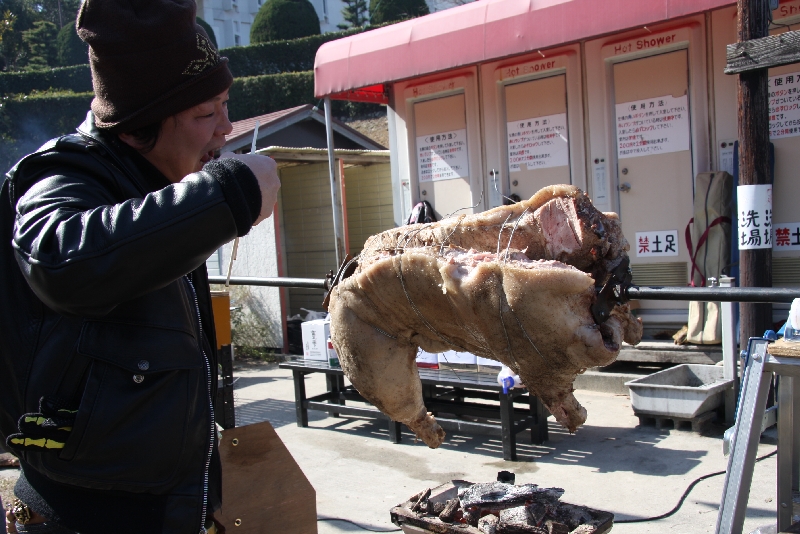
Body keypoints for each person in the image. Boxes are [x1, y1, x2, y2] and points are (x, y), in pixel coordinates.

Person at [0, 0, 280, 533]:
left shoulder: (161, 183)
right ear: (134, 129)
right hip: (82, 518)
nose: (225, 128)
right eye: (205, 114)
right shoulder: (65, 173)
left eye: (225, 105)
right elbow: (59, 259)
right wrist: (231, 194)